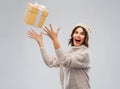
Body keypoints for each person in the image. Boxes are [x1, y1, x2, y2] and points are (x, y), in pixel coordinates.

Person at [27, 23, 91, 89]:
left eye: (82, 34)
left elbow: (65, 61)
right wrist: (40, 43)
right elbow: (50, 62)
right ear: (72, 36)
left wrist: (54, 39)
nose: (78, 35)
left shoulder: (84, 54)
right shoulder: (69, 54)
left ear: (85, 38)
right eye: (76, 32)